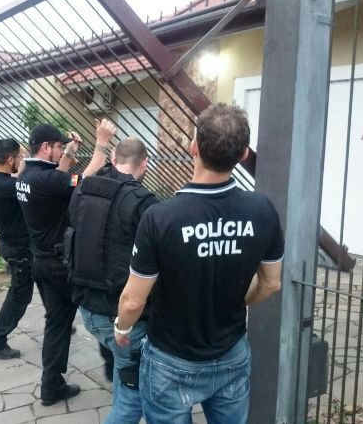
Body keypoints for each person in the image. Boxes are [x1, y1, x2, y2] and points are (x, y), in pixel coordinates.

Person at [115, 104, 284, 424]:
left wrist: (122, 327)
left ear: (194, 147)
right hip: (231, 352)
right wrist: (236, 300)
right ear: (243, 154)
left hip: (171, 360)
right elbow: (271, 282)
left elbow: (133, 300)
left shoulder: (160, 218)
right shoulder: (262, 210)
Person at [17, 120, 116, 406]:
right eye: (59, 147)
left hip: (41, 261)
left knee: (57, 324)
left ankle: (51, 386)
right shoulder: (47, 181)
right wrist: (101, 142)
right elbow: (85, 178)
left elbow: (58, 177)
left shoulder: (26, 175)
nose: (62, 152)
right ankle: (116, 370)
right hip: (62, 265)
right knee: (100, 309)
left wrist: (71, 150)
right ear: (45, 147)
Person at [67, 138, 159, 423]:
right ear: (145, 163)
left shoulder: (83, 189)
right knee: (132, 404)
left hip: (87, 307)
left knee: (123, 371)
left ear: (114, 159)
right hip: (123, 318)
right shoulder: (143, 202)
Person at [0, 138, 38, 359]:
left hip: (12, 244)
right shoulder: (7, 186)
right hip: (18, 249)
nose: (23, 160)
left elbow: (15, 179)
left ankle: (59, 320)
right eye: (20, 157)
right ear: (10, 159)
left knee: (42, 280)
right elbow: (23, 183)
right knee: (19, 295)